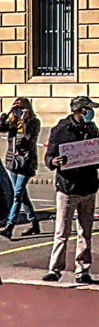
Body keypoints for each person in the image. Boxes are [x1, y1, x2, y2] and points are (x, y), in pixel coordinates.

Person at [43, 96, 99, 283]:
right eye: (88, 109)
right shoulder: (61, 130)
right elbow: (49, 157)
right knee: (62, 231)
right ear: (80, 111)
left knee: (85, 231)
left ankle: (83, 269)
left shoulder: (91, 128)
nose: (91, 113)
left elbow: (94, 155)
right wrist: (54, 162)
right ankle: (55, 269)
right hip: (67, 187)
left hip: (88, 186)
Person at [1, 97, 42, 238]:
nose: (19, 111)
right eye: (17, 108)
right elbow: (1, 127)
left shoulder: (34, 122)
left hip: (26, 162)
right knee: (22, 195)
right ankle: (34, 223)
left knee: (17, 194)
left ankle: (9, 226)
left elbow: (29, 138)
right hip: (13, 161)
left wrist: (24, 120)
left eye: (21, 108)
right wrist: (8, 113)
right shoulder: (13, 122)